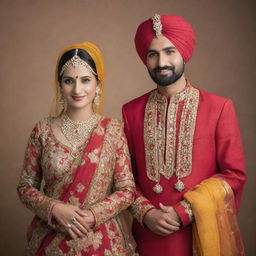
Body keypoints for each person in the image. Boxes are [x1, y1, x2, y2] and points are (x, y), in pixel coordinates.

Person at [122, 14, 246, 256]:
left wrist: (184, 212)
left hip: (199, 237)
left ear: (183, 53)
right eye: (153, 54)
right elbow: (124, 177)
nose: (161, 62)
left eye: (170, 52)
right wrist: (146, 213)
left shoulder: (219, 107)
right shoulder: (131, 111)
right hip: (147, 238)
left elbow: (235, 175)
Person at [17, 42, 136, 256]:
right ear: (60, 85)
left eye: (86, 80)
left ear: (98, 84)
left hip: (103, 241)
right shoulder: (42, 130)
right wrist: (54, 209)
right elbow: (25, 187)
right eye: (69, 81)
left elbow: (127, 190)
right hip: (51, 239)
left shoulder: (113, 130)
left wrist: (93, 214)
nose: (77, 89)